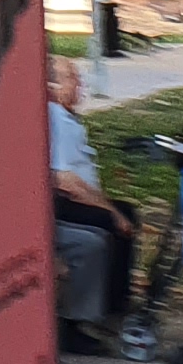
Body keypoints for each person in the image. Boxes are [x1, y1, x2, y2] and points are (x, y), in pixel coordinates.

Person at [48, 60, 135, 347]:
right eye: (72, 78)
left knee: (126, 214)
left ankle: (113, 303)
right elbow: (65, 180)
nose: (80, 85)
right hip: (62, 201)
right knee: (110, 225)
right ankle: (100, 310)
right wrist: (110, 210)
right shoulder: (56, 120)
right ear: (54, 85)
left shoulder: (66, 119)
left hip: (73, 196)